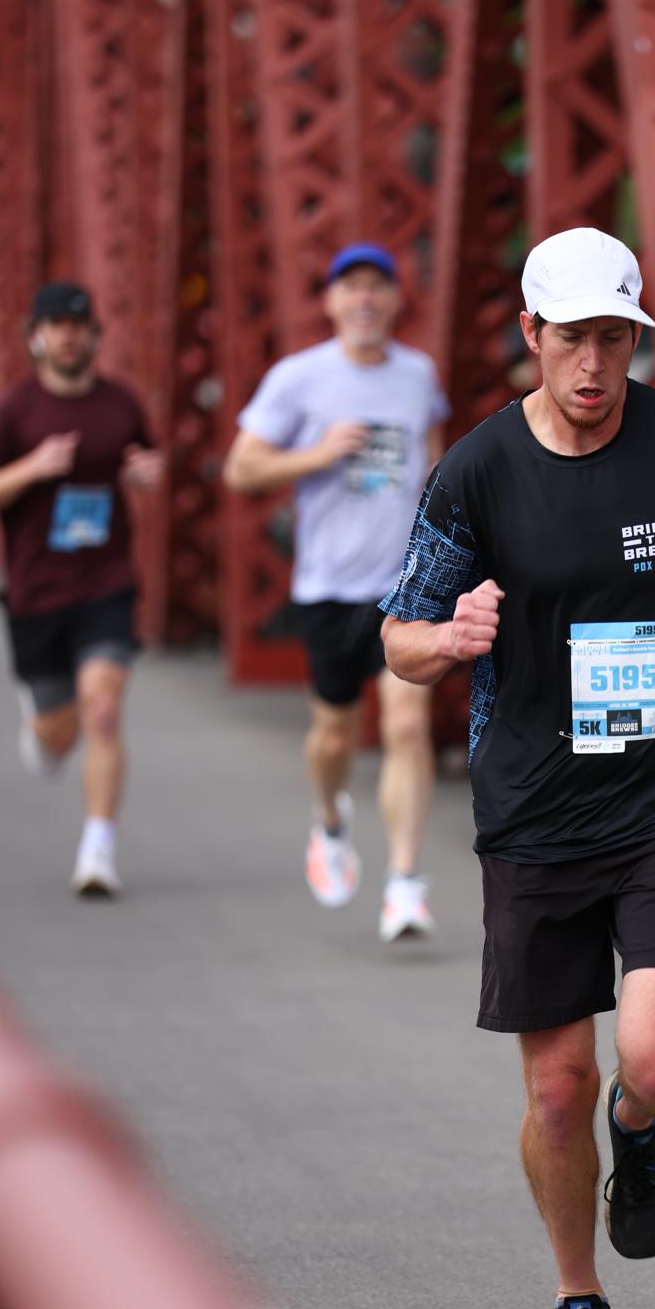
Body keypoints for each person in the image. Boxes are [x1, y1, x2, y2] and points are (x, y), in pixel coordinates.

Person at [380, 226, 655, 1309]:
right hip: (536, 804)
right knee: (556, 1085)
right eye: (572, 339)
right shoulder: (477, 469)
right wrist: (448, 637)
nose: (594, 363)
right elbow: (399, 635)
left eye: (615, 338)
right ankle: (576, 1297)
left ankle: (642, 1125)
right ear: (532, 334)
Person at [223, 242, 448, 939]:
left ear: (395, 300)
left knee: (406, 726)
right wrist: (319, 453)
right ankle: (328, 820)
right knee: (333, 735)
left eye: (377, 286)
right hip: (328, 587)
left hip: (404, 587)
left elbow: (433, 461)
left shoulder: (417, 375)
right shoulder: (299, 378)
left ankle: (404, 882)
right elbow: (240, 470)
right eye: (351, 287)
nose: (365, 299)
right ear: (330, 302)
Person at [0, 280, 163, 898]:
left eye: (78, 326)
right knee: (60, 732)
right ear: (36, 338)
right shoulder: (12, 412)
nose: (69, 337)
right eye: (57, 326)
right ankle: (44, 731)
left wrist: (146, 473)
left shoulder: (120, 404)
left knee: (104, 707)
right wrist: (32, 467)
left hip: (106, 582)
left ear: (95, 335)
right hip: (36, 592)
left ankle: (98, 849)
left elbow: (147, 461)